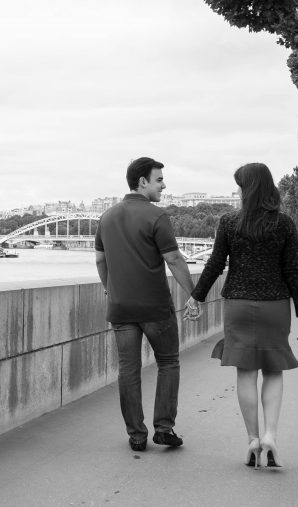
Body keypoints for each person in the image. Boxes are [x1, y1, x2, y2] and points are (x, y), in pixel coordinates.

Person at [185, 163, 298, 469]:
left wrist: (196, 296)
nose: (238, 191)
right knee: (273, 370)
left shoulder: (229, 222)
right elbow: (292, 270)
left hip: (239, 304)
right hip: (275, 305)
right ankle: (270, 435)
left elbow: (214, 264)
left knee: (245, 373)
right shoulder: (284, 224)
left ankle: (253, 439)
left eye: (240, 186)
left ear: (248, 189)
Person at [95, 156, 201, 452]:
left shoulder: (107, 217)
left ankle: (136, 435)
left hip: (121, 308)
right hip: (155, 307)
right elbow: (174, 260)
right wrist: (193, 294)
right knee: (168, 362)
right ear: (142, 182)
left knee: (128, 370)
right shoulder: (157, 216)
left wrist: (110, 289)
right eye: (158, 180)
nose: (163, 185)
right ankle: (164, 427)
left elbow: (101, 261)